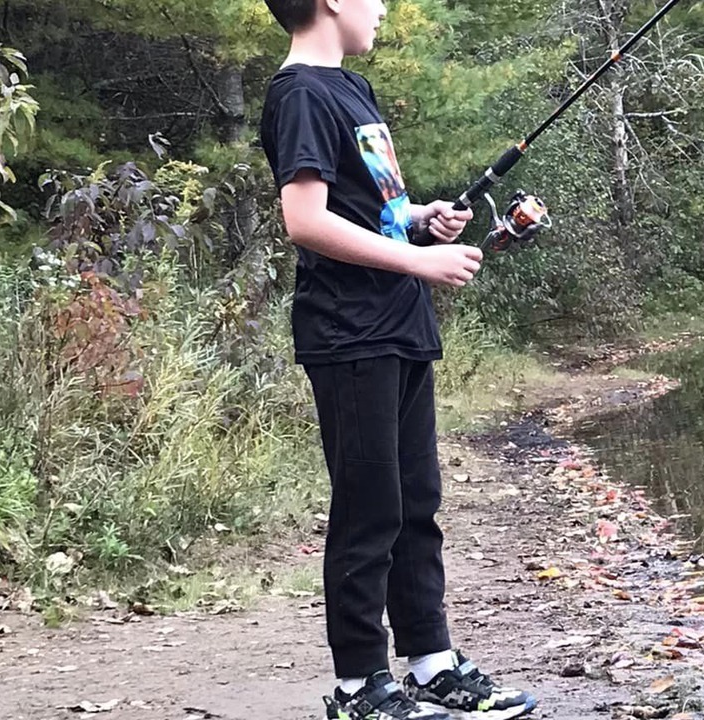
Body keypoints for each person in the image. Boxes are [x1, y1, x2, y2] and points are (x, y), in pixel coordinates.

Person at [258, 0, 537, 718]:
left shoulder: (353, 89)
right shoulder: (300, 94)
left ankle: (431, 663)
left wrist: (420, 220)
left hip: (397, 325)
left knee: (416, 503)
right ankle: (358, 686)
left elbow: (365, 206)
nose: (381, 6)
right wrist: (420, 264)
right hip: (349, 333)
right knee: (368, 509)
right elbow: (306, 221)